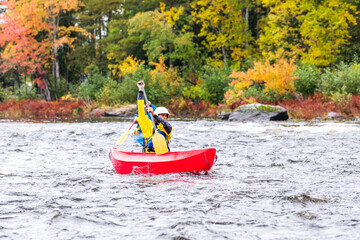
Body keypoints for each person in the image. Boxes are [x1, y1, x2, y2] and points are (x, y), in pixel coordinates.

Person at [135, 81, 172, 152]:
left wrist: (155, 116)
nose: (164, 117)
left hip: (164, 155)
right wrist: (140, 91)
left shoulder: (167, 129)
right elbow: (140, 111)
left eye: (166, 115)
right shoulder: (148, 125)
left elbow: (167, 125)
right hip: (149, 155)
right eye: (162, 115)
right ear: (158, 115)